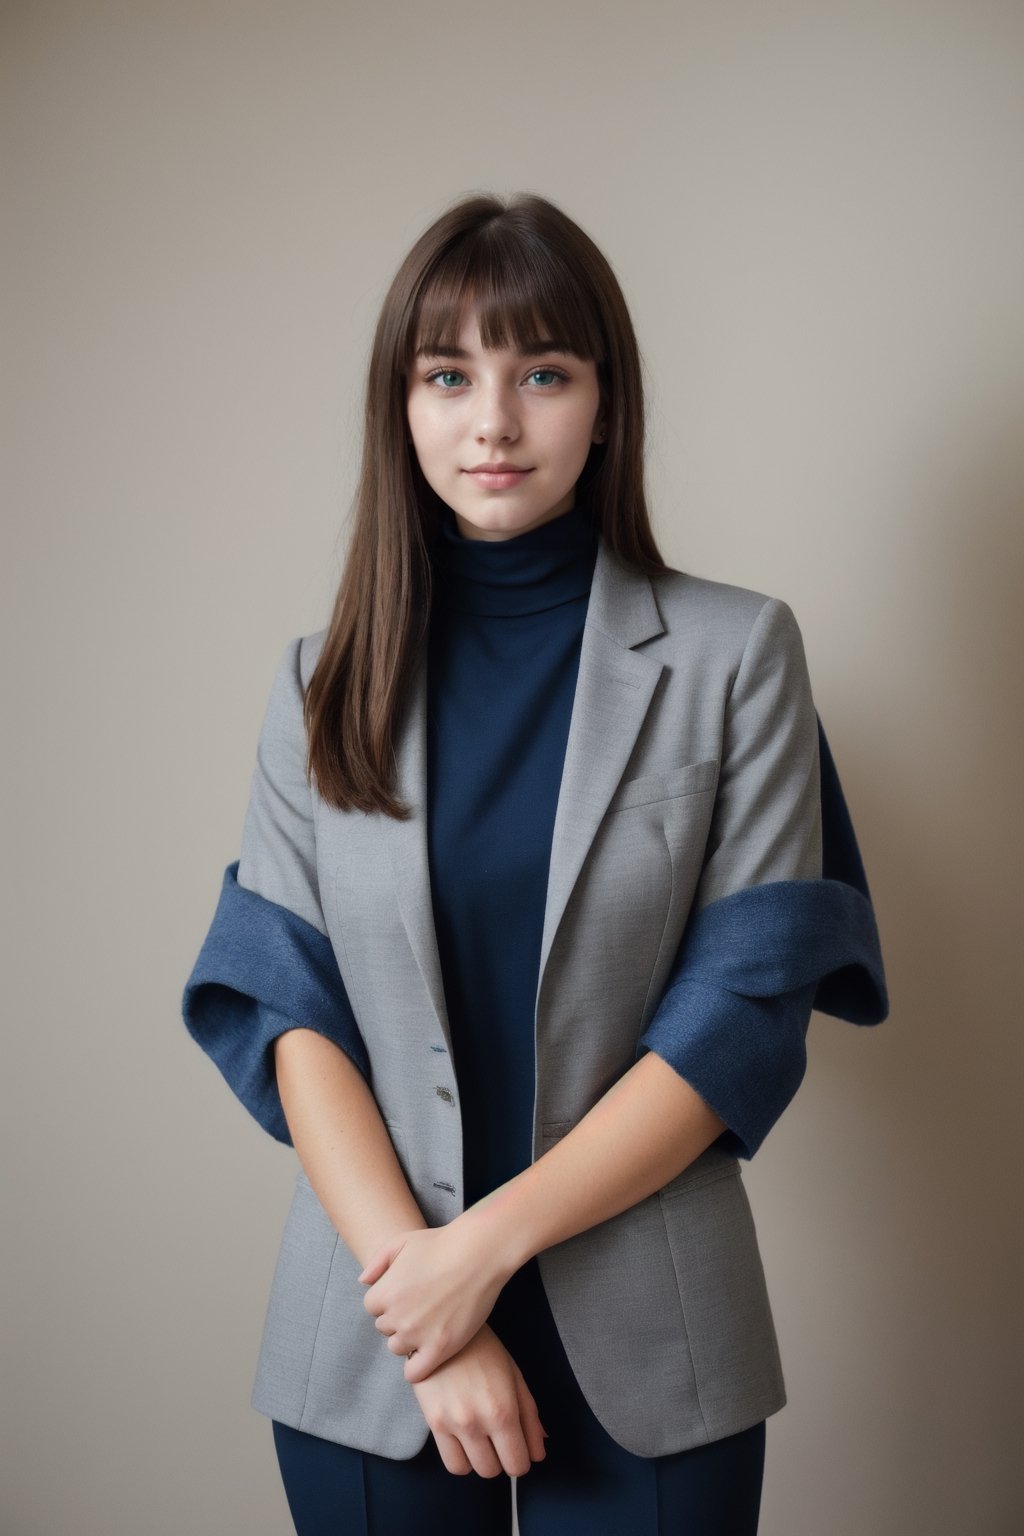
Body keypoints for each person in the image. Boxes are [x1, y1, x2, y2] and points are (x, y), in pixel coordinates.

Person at [182, 192, 887, 1535]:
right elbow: (291, 1005)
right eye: (449, 376)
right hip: (375, 1341)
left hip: (655, 1336)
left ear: (605, 402)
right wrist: (427, 1305)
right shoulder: (318, 681)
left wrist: (481, 1256)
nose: (493, 421)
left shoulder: (739, 655)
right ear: (402, 406)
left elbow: (738, 1011)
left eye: (542, 374)